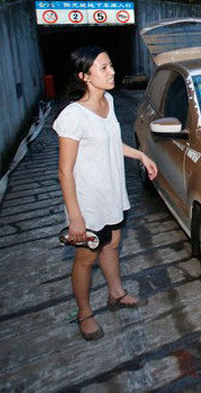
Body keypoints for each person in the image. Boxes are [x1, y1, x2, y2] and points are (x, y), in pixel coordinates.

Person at [53, 46, 158, 341]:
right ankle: (84, 313)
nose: (112, 72)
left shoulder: (109, 101)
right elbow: (65, 171)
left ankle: (116, 293)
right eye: (103, 68)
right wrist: (76, 218)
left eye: (110, 65)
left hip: (113, 193)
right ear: (84, 76)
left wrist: (140, 156)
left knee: (112, 244)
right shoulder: (73, 117)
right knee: (86, 259)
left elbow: (112, 144)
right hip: (88, 205)